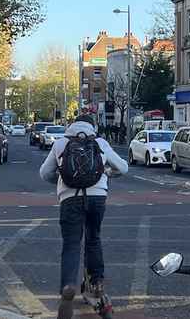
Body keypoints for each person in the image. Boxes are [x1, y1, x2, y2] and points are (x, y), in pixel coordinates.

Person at [39, 115, 128, 319]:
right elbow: (123, 168)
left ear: (72, 126)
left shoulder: (61, 143)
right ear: (93, 126)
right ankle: (96, 284)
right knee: (93, 239)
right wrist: (106, 173)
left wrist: (62, 181)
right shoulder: (100, 143)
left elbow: (44, 173)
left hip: (69, 199)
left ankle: (68, 285)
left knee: (71, 244)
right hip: (97, 198)